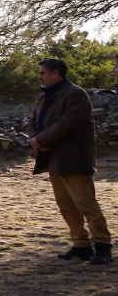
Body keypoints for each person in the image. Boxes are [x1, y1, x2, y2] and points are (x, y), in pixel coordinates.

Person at [29, 58, 111, 264]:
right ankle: (81, 245)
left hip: (74, 158)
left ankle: (103, 246)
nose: (40, 76)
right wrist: (36, 141)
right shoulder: (44, 97)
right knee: (65, 205)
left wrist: (41, 139)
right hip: (53, 159)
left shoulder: (76, 94)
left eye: (43, 73)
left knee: (86, 204)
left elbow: (67, 125)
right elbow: (32, 121)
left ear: (56, 73)